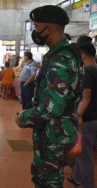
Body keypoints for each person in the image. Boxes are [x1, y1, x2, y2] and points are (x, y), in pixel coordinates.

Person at [15, 5, 83, 187]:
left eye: (37, 27)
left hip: (55, 131)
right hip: (57, 128)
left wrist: (24, 116)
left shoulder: (59, 59)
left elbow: (53, 107)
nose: (35, 32)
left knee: (47, 180)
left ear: (49, 28)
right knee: (46, 176)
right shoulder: (63, 54)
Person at [69, 38, 97, 188]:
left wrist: (79, 115)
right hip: (95, 117)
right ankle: (77, 177)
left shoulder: (87, 71)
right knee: (81, 150)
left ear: (83, 56)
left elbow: (86, 95)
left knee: (86, 157)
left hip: (88, 119)